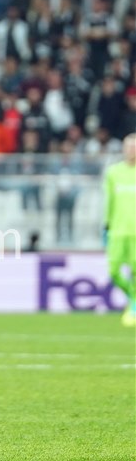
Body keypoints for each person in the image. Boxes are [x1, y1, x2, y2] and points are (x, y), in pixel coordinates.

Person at [104, 133, 136, 326]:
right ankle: (133, 297)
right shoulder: (113, 173)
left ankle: (134, 307)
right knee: (114, 271)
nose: (132, 151)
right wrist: (106, 225)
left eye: (134, 147)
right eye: (129, 147)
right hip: (117, 230)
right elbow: (109, 200)